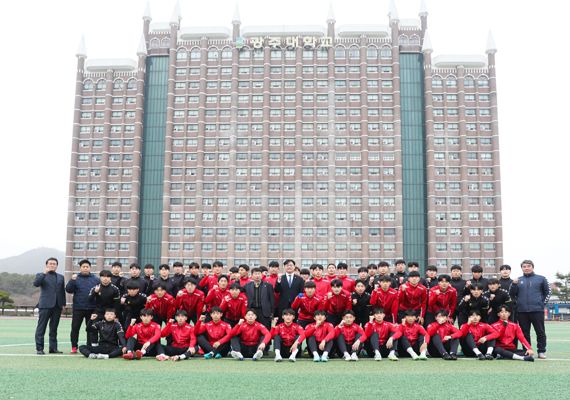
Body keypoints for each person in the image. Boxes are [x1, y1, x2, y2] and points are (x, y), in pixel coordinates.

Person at [516, 259, 550, 359]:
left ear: (532, 267)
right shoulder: (518, 280)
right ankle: (527, 350)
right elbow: (513, 295)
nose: (526, 268)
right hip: (522, 311)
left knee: (540, 331)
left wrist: (541, 304)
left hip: (537, 310)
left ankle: (541, 351)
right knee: (524, 333)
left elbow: (547, 293)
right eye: (524, 266)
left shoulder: (541, 279)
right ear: (522, 268)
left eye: (528, 266)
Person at [65, 259, 99, 353]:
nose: (85, 268)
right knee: (75, 328)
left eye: (87, 267)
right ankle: (74, 346)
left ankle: (89, 346)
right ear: (80, 268)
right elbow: (68, 290)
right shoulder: (76, 278)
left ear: (90, 268)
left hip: (91, 308)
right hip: (78, 308)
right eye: (83, 267)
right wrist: (72, 280)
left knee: (90, 329)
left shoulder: (96, 279)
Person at [34, 257, 66, 355]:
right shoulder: (40, 275)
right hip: (45, 305)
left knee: (54, 328)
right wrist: (44, 273)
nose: (52, 265)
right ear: (46, 265)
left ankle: (53, 348)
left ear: (57, 266)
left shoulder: (61, 277)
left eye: (54, 264)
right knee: (41, 327)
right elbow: (36, 284)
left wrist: (63, 303)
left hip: (57, 305)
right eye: (50, 263)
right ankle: (39, 348)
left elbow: (62, 291)